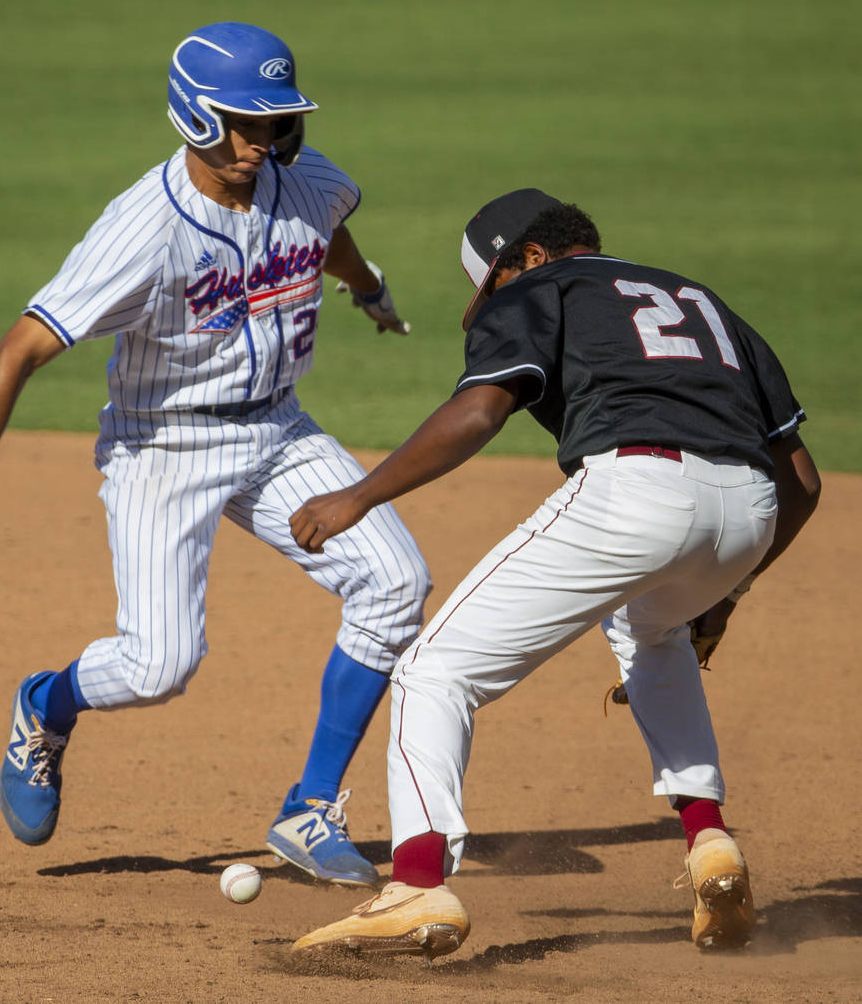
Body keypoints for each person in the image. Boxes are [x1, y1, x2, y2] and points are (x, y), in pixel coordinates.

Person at [0, 22, 430, 889]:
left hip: (280, 430)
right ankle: (45, 707)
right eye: (241, 123)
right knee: (159, 666)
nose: (258, 143)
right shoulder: (143, 231)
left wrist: (367, 287)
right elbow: (18, 350)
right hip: (165, 444)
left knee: (397, 582)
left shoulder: (311, 185)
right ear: (194, 117)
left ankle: (309, 809)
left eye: (273, 124)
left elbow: (325, 230)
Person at [287, 189, 821, 957]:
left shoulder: (540, 285)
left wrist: (357, 496)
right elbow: (798, 478)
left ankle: (413, 886)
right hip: (749, 510)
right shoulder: (698, 298)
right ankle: (709, 843)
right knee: (652, 627)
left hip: (637, 490)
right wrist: (727, 590)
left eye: (493, 284)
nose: (493, 302)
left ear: (527, 257)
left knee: (432, 673)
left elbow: (478, 413)